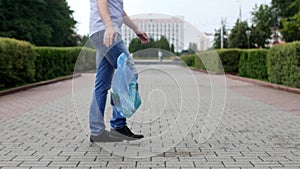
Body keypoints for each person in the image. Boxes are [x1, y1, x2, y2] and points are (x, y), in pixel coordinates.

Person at [89, 0, 149, 142]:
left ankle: (96, 131)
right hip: (107, 31)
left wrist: (136, 29)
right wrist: (109, 27)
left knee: (102, 84)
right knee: (130, 72)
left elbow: (118, 9)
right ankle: (118, 125)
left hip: (101, 31)